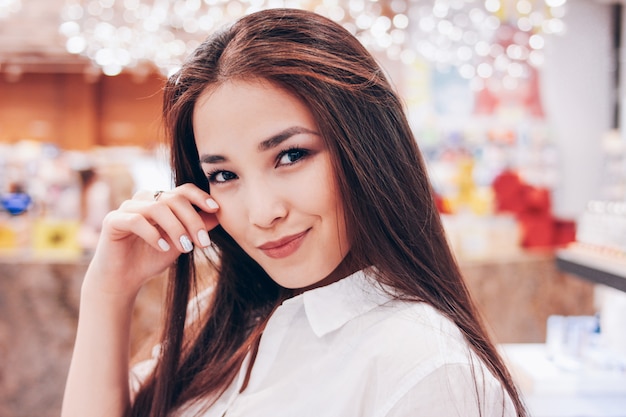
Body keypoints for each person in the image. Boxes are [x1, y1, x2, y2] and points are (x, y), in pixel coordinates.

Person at [62, 8, 527, 417]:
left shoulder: (424, 366)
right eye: (224, 176)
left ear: (366, 148)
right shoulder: (222, 320)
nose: (262, 213)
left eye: (290, 156)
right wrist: (108, 290)